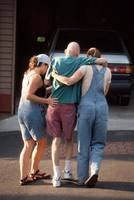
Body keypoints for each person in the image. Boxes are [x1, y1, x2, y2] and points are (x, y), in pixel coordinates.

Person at [45, 42, 107, 187]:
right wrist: (96, 60)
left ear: (66, 50)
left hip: (53, 104)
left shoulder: (55, 60)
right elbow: (102, 63)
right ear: (78, 53)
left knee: (56, 140)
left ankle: (57, 177)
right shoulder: (81, 62)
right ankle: (69, 171)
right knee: (70, 140)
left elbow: (47, 81)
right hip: (70, 107)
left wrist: (55, 76)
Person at [18, 54, 58, 185]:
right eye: (47, 67)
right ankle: (32, 172)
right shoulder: (37, 77)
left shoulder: (28, 74)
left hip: (22, 112)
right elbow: (29, 95)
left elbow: (34, 91)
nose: (47, 70)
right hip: (32, 113)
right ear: (44, 65)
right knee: (41, 142)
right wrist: (47, 100)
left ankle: (25, 176)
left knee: (28, 144)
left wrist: (52, 87)